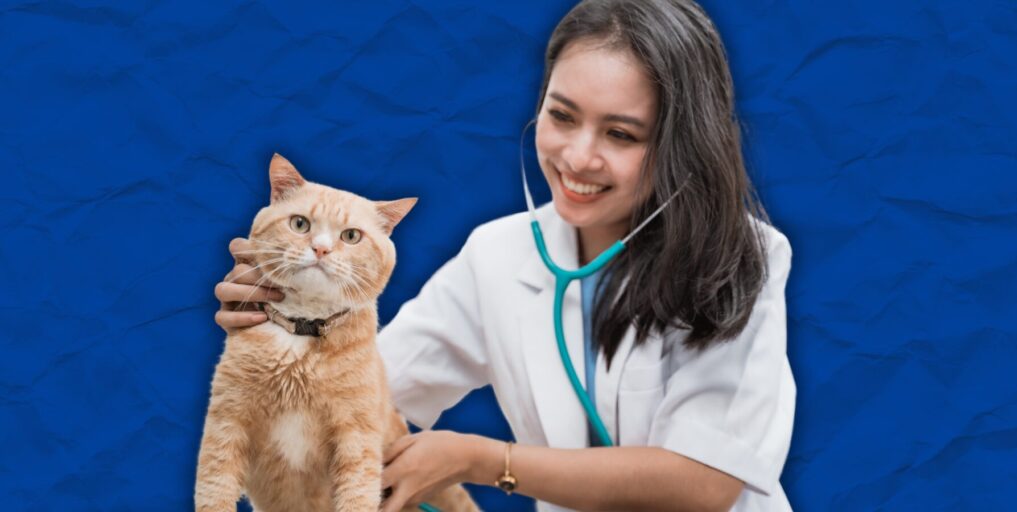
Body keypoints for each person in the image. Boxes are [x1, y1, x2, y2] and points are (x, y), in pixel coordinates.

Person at [215, 0, 796, 510]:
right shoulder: (497, 254)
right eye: (561, 116)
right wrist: (287, 315)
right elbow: (367, 389)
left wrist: (482, 459)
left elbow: (704, 483)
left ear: (681, 142)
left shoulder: (747, 256)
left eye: (621, 134)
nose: (577, 157)